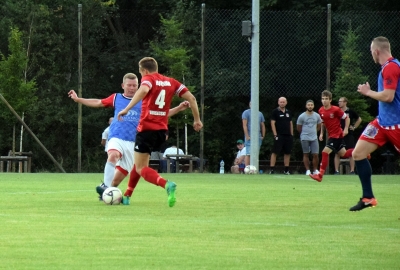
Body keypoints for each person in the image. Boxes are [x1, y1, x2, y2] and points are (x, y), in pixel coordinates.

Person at [68, 73, 188, 202]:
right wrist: (78, 99)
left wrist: (179, 108)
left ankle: (108, 193)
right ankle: (105, 187)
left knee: (116, 181)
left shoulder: (144, 100)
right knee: (113, 155)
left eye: (135, 85)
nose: (132, 88)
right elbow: (98, 102)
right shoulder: (116, 98)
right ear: (123, 85)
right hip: (117, 137)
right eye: (129, 85)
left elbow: (161, 114)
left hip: (134, 142)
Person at [117, 57, 203, 208]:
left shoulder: (148, 79)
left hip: (146, 130)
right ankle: (127, 196)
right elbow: (192, 98)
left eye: (141, 74)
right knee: (139, 163)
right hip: (162, 132)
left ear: (144, 71)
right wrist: (197, 119)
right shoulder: (171, 82)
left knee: (140, 167)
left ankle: (166, 184)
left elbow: (143, 89)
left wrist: (126, 108)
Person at [349, 36, 400, 211]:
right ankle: (368, 197)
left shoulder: (391, 67)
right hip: (382, 123)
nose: (371, 53)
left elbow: (388, 96)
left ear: (377, 51)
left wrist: (368, 92)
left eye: (371, 50)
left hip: (396, 125)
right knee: (358, 154)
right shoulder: (388, 67)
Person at [309, 90, 354, 182]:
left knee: (325, 153)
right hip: (332, 136)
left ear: (330, 100)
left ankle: (320, 175)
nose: (324, 100)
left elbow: (347, 118)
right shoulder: (321, 110)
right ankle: (362, 152)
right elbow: (323, 122)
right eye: (322, 99)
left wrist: (345, 129)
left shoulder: (336, 109)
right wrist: (321, 133)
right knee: (344, 154)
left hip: (336, 135)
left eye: (326, 99)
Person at [333, 97, 362, 175]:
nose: (339, 103)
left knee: (351, 152)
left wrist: (354, 127)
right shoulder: (336, 111)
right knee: (337, 152)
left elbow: (359, 119)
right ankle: (336, 171)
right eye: (338, 101)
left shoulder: (350, 111)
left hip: (349, 134)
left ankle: (352, 171)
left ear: (345, 102)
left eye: (341, 101)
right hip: (338, 134)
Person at [296, 100, 322, 176]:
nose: (310, 106)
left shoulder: (317, 115)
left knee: (315, 154)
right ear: (306, 106)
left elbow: (319, 125)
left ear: (313, 106)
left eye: (311, 105)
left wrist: (314, 132)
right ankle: (307, 170)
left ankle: (315, 170)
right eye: (308, 105)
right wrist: (304, 133)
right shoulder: (302, 116)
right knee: (306, 154)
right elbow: (298, 127)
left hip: (314, 138)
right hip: (304, 137)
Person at [270, 97, 293, 175]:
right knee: (275, 152)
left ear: (286, 102)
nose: (282, 103)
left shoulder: (288, 112)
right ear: (278, 102)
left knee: (287, 152)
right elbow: (272, 123)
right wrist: (275, 134)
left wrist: (291, 134)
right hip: (279, 135)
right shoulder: (275, 112)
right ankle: (272, 169)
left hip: (288, 135)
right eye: (281, 102)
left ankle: (286, 170)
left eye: (283, 102)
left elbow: (290, 123)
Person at [242, 101, 266, 166]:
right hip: (249, 136)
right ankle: (247, 168)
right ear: (249, 105)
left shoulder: (260, 114)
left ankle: (254, 169)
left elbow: (262, 125)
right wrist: (247, 136)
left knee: (256, 154)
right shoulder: (246, 112)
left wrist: (263, 135)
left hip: (258, 137)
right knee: (249, 154)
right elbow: (244, 125)